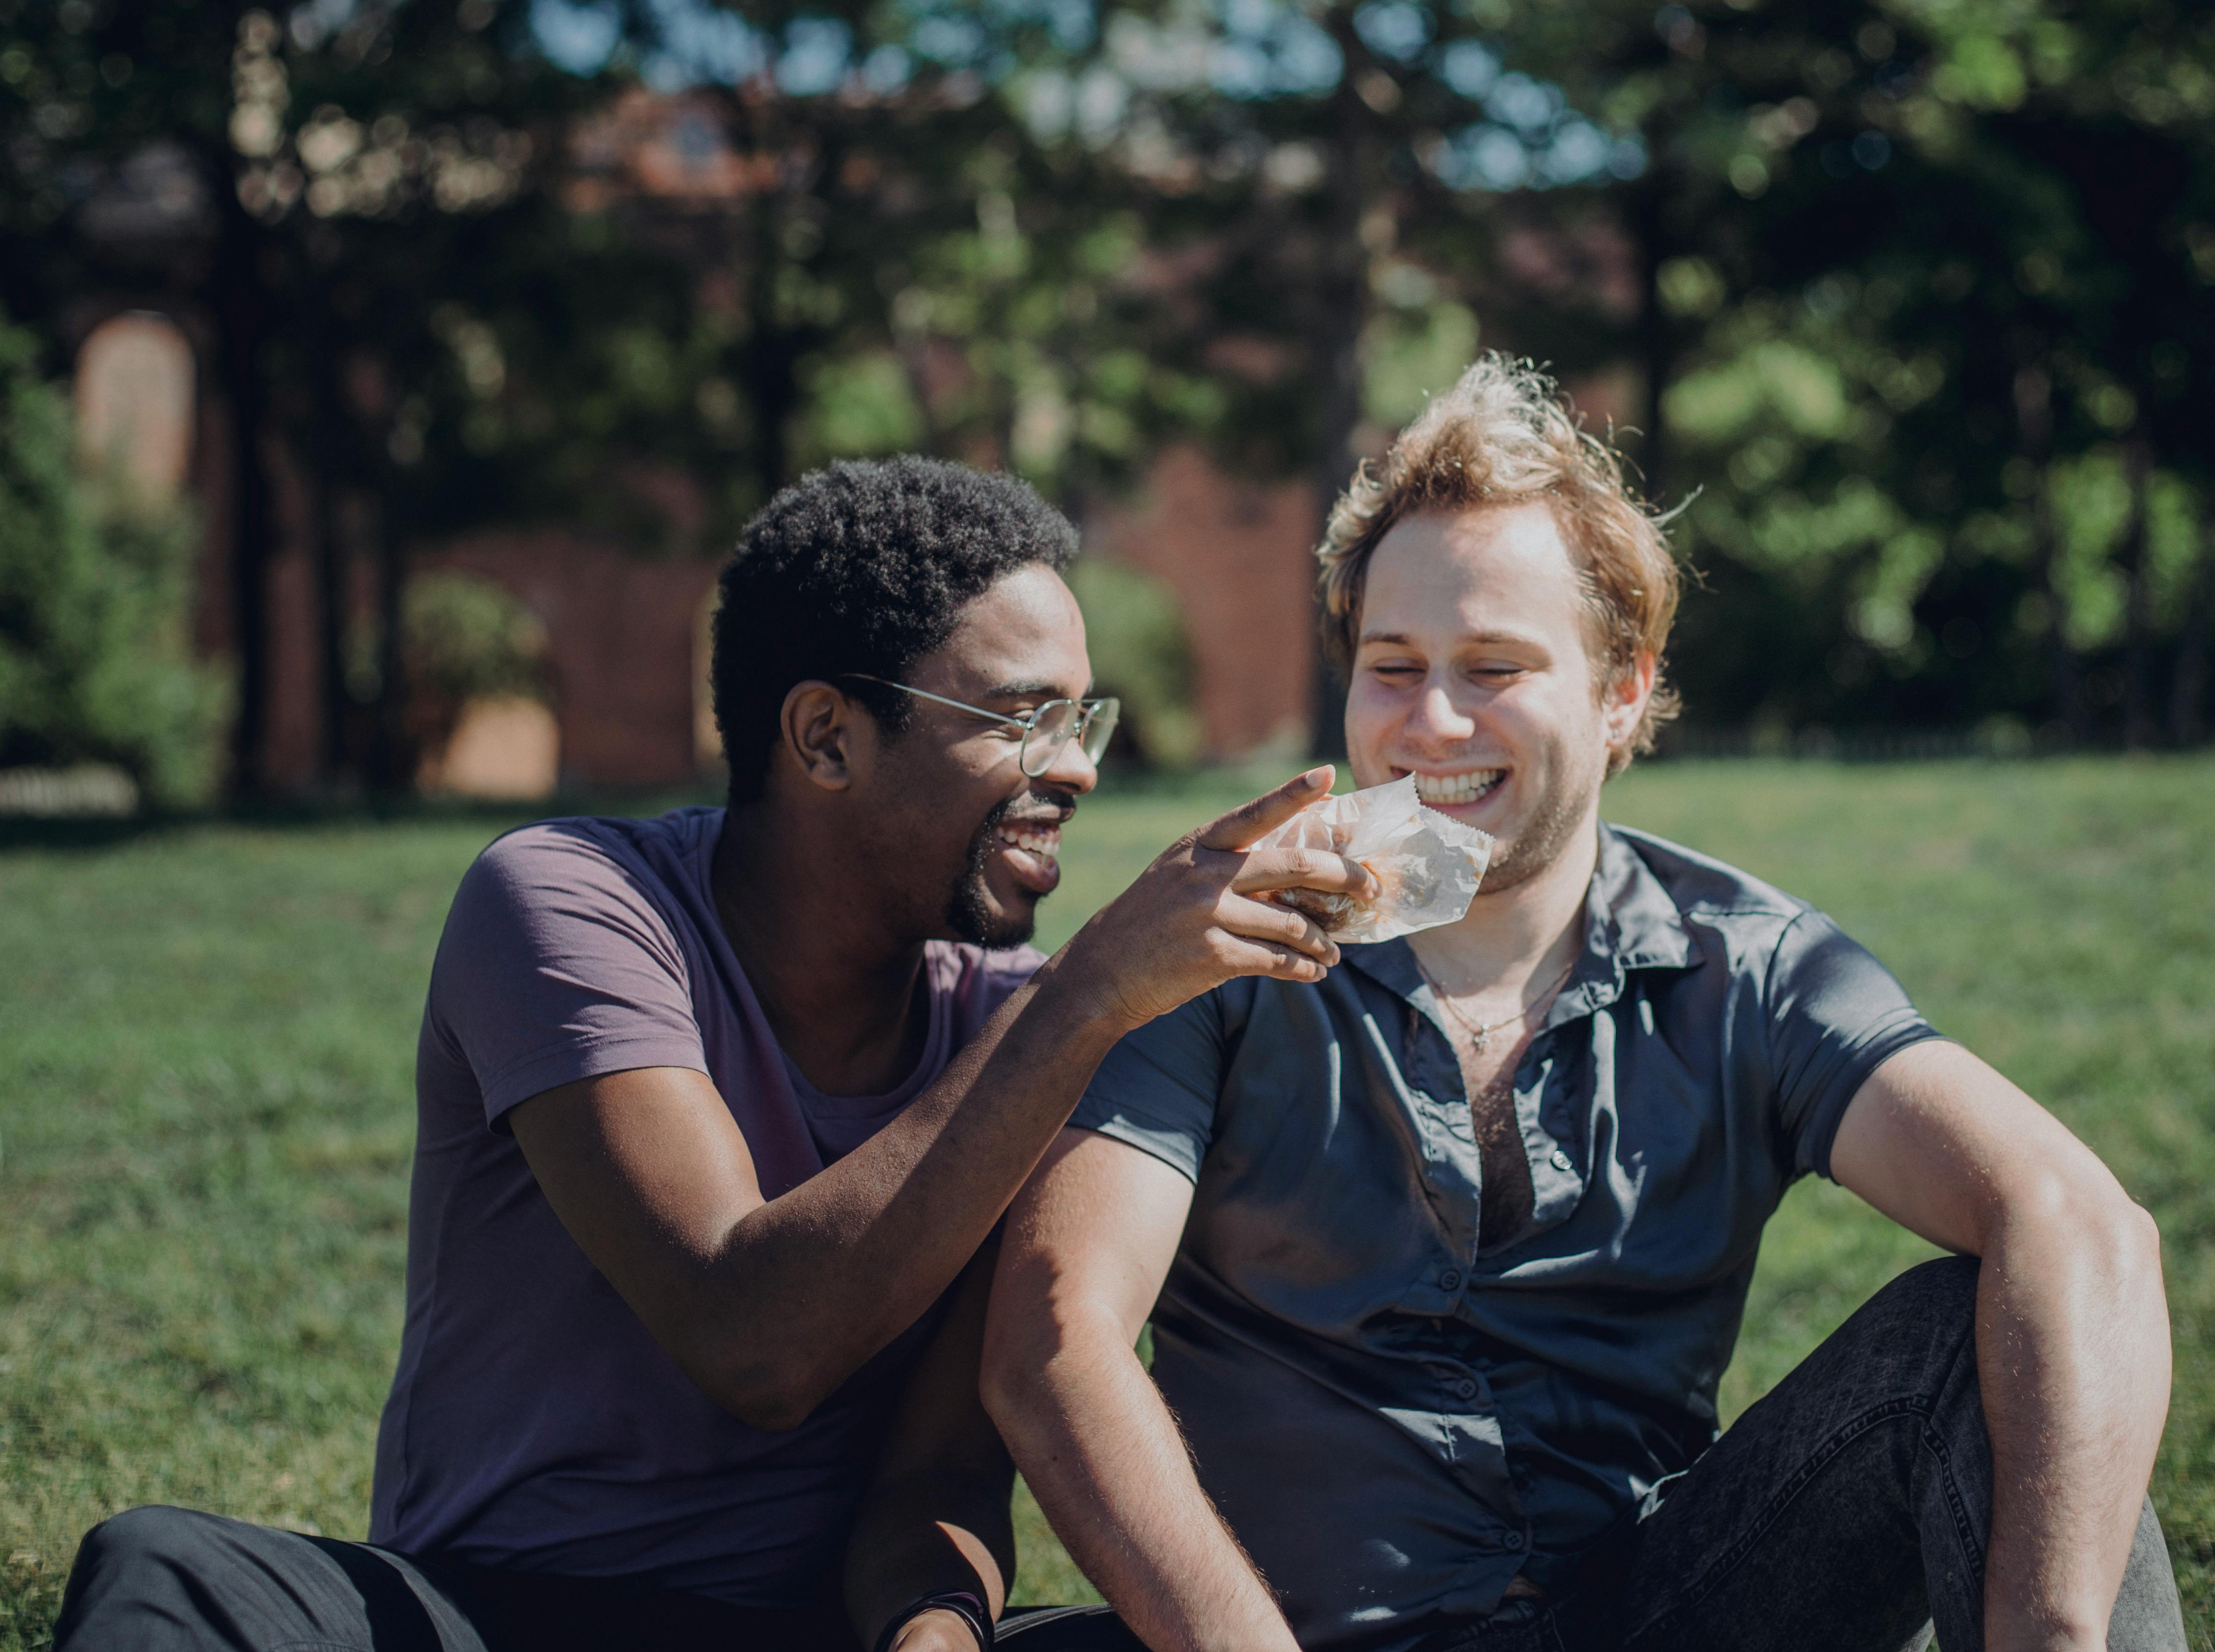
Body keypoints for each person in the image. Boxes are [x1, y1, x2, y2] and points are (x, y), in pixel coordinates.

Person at [52, 457, 1372, 1652]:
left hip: (812, 1631)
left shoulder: (1007, 1022)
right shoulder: (569, 904)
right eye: (1024, 717)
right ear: (824, 736)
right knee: (170, 1572)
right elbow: (754, 1342)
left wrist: (933, 1638)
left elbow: (934, 1484)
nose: (1075, 770)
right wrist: (1090, 993)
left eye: (1082, 721)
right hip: (501, 1613)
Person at [979, 359, 2186, 1652]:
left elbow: (2075, 1219)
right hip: (1286, 1630)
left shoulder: (1751, 968)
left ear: (1622, 693)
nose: (1431, 721)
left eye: (1493, 664)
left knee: (1980, 1336)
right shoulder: (1218, 949)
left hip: (1659, 1615)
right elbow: (1059, 1335)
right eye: (1394, 665)